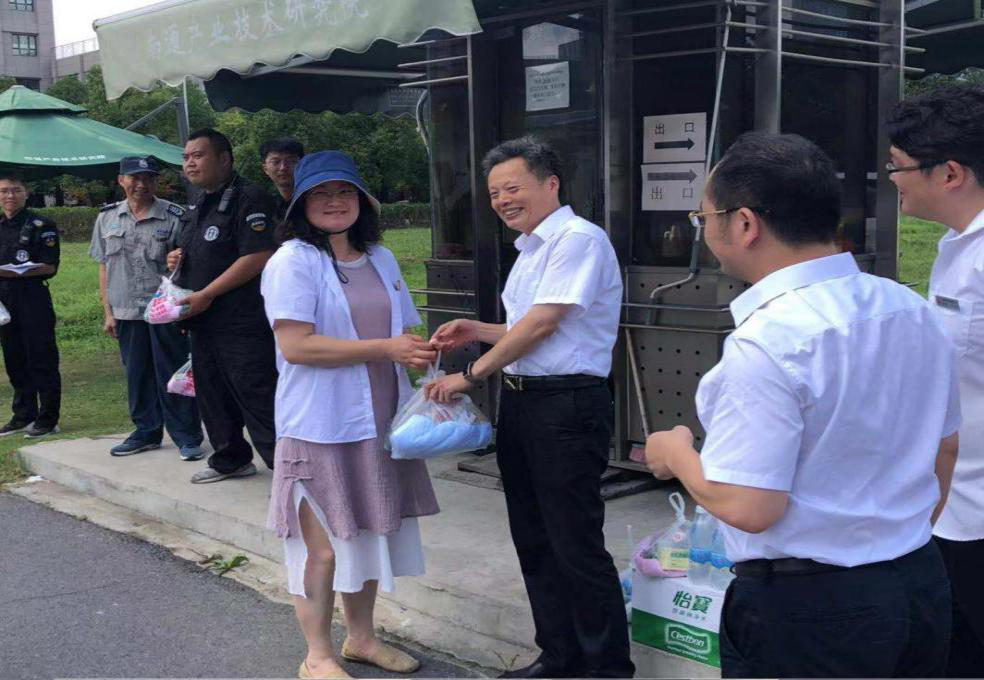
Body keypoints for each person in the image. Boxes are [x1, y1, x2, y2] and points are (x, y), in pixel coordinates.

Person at [644, 131, 960, 678]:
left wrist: (675, 454)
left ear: (744, 224)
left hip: (812, 610)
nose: (704, 231)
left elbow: (750, 507)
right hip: (919, 580)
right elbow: (946, 447)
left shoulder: (769, 341)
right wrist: (892, 538)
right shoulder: (909, 308)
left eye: (704, 218)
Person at [426, 137, 634, 679]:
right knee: (535, 537)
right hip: (523, 403)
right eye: (495, 193)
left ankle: (607, 669)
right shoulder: (532, 249)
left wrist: (471, 375)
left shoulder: (577, 239)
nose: (502, 201)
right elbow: (529, 327)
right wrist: (477, 329)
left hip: (566, 406)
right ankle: (559, 658)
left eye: (513, 188)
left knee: (575, 543)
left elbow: (543, 325)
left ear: (551, 183)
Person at [261, 150, 439, 680]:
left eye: (344, 192)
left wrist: (425, 353)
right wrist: (385, 349)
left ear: (363, 201)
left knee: (366, 533)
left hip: (380, 420)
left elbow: (402, 331)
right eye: (320, 194)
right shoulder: (292, 261)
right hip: (320, 424)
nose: (334, 202)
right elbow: (297, 346)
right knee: (320, 549)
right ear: (300, 205)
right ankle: (317, 655)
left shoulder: (380, 257)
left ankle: (361, 639)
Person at [886, 83, 984, 677]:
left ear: (950, 173)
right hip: (953, 500)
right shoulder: (956, 246)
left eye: (898, 166)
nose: (892, 179)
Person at [166, 128, 278, 484]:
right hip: (202, 320)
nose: (189, 163)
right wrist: (177, 259)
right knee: (212, 394)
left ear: (224, 159)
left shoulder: (250, 197)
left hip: (242, 321)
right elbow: (200, 249)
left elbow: (258, 255)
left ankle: (289, 466)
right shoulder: (199, 201)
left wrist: (209, 293)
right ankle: (230, 459)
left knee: (256, 391)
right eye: (186, 157)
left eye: (198, 155)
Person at [90, 156, 204, 460]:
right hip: (126, 309)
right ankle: (146, 431)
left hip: (164, 310)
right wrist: (108, 312)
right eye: (134, 178)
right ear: (121, 180)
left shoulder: (175, 215)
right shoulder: (107, 218)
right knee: (137, 374)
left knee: (173, 370)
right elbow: (104, 266)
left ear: (156, 181)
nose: (141, 184)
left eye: (148, 178)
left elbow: (191, 265)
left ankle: (187, 435)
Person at [0, 173, 61, 438]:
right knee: (14, 358)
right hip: (4, 300)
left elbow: (50, 266)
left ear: (26, 193)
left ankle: (48, 419)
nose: (9, 196)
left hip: (32, 297)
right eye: (4, 191)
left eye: (15, 190)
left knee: (41, 358)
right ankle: (23, 415)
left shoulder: (41, 225)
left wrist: (12, 272)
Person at [260, 138, 304, 219]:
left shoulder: (315, 201)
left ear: (303, 164)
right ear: (265, 169)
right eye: (276, 162)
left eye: (291, 161)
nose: (283, 168)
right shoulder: (263, 206)